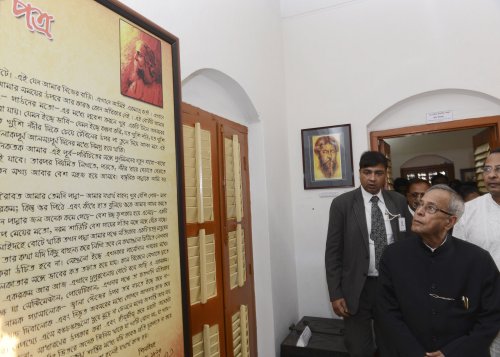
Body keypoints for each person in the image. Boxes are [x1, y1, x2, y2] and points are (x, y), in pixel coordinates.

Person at [377, 184, 500, 357]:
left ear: (450, 222)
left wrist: (451, 352)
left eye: (431, 208)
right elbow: (387, 312)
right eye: (419, 204)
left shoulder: (478, 260)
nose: (419, 211)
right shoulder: (393, 255)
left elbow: (491, 317)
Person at [325, 151, 413, 357]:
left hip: (391, 286)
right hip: (357, 287)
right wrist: (335, 293)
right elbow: (333, 252)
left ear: (386, 175)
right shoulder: (343, 204)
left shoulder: (398, 201)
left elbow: (410, 243)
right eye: (367, 172)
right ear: (359, 173)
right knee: (359, 348)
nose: (372, 179)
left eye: (378, 173)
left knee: (391, 346)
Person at [454, 148, 500, 356]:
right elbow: (457, 261)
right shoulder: (469, 211)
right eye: (487, 169)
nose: (492, 175)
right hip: (484, 305)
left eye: (499, 169)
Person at [121, 40, 163, 107]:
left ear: (148, 61)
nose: (135, 58)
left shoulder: (159, 90)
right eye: (136, 54)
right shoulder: (135, 87)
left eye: (140, 55)